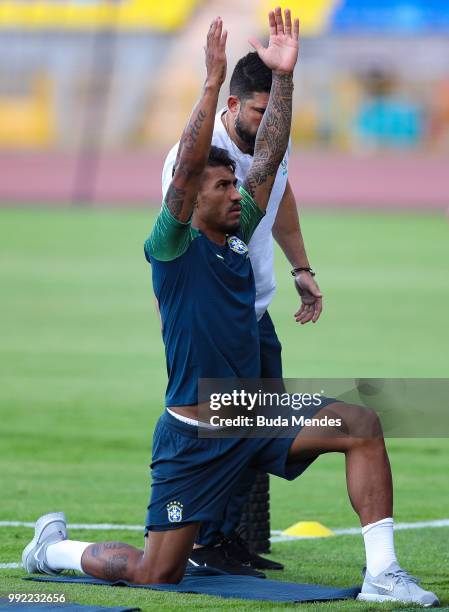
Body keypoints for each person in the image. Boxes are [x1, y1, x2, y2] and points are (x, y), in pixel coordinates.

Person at [23, 11, 439, 606]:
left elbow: (268, 159)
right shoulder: (171, 248)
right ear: (191, 198)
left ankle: (383, 575)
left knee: (362, 425)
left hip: (250, 411)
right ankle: (54, 550)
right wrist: (211, 83)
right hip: (193, 436)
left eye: (233, 188)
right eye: (221, 187)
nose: (235, 193)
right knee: (155, 575)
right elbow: (191, 167)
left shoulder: (240, 235)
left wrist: (286, 79)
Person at [161, 47, 322, 578]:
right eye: (258, 111)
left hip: (255, 311)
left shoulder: (265, 149)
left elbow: (278, 179)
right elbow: (189, 175)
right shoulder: (197, 166)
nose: (267, 122)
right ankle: (207, 538)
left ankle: (228, 539)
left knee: (258, 428)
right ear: (233, 104)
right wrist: (208, 82)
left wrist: (301, 267)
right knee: (228, 428)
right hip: (215, 323)